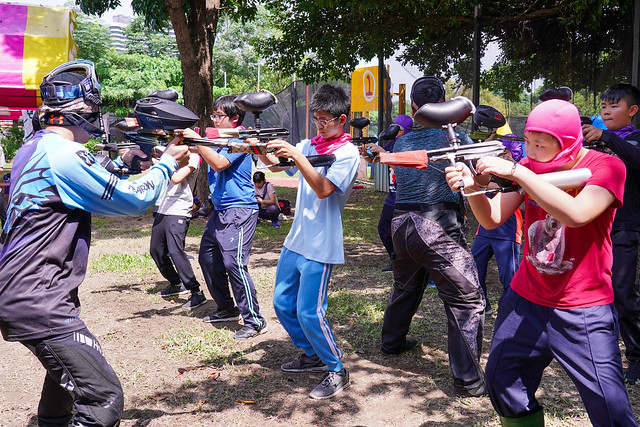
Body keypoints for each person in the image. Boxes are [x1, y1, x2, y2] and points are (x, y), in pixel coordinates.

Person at [0, 60, 189, 426]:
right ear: (85, 111)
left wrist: (123, 165)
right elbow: (133, 202)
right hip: (39, 299)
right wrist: (165, 164)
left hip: (27, 290)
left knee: (63, 386)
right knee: (102, 400)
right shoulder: (63, 154)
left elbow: (80, 187)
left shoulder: (35, 147)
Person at [446, 99, 637, 426]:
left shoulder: (608, 167)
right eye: (528, 142)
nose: (531, 152)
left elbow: (577, 215)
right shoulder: (531, 168)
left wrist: (518, 172)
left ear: (566, 143)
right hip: (525, 298)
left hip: (583, 307)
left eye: (540, 144)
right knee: (502, 382)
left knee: (611, 408)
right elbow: (492, 219)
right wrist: (472, 190)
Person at [380, 76, 486, 397]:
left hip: (401, 224)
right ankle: (468, 381)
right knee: (466, 299)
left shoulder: (402, 142)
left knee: (406, 286)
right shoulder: (459, 139)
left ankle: (392, 342)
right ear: (444, 104)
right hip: (438, 223)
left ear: (414, 107)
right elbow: (479, 176)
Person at [256, 84, 360, 400]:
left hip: (321, 243)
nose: (319, 124)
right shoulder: (308, 144)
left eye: (325, 119)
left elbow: (324, 189)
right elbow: (276, 166)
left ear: (342, 119)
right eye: (316, 118)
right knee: (282, 304)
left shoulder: (347, 152)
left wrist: (300, 155)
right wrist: (257, 150)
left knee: (309, 312)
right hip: (296, 239)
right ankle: (312, 353)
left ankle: (337, 370)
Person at [191, 95, 267, 339]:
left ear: (235, 118)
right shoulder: (219, 140)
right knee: (207, 258)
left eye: (219, 116)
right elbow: (196, 148)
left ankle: (254, 320)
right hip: (221, 210)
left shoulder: (241, 140)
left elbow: (218, 163)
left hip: (240, 210)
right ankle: (226, 308)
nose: (215, 120)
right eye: (214, 115)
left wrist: (195, 139)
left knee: (234, 263)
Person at [582, 83, 640, 384]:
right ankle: (601, 355)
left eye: (614, 105)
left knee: (623, 294)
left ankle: (636, 357)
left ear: (632, 111)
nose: (606, 111)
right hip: (593, 224)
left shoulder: (632, 140)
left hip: (624, 228)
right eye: (604, 105)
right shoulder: (596, 140)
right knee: (594, 293)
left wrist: (606, 137)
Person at [471, 136, 524, 314]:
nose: (497, 155)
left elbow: (492, 182)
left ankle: (512, 309)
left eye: (502, 151)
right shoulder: (489, 170)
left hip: (507, 231)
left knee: (508, 275)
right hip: (484, 229)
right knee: (475, 267)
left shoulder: (517, 171)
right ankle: (482, 304)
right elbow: (479, 178)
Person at [151, 148, 207, 308]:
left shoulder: (194, 157)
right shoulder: (170, 155)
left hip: (179, 210)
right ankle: (176, 283)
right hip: (163, 207)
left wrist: (159, 163)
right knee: (156, 250)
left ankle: (196, 292)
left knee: (175, 251)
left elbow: (176, 178)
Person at [360, 114, 413, 272]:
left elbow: (403, 170)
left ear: (407, 130)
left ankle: (409, 265)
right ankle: (395, 260)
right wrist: (367, 154)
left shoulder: (409, 145)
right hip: (392, 196)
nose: (396, 131)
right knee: (384, 228)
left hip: (406, 197)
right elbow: (377, 160)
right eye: (394, 127)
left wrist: (382, 152)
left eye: (400, 129)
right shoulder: (392, 144)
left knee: (405, 234)